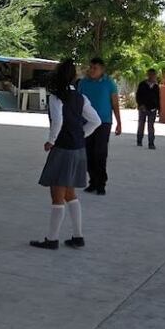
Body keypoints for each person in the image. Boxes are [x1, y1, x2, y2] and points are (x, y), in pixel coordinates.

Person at [30, 59, 102, 250]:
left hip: (63, 149)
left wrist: (51, 141)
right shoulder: (81, 98)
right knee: (70, 192)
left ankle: (52, 239)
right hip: (78, 149)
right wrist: (81, 135)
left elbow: (58, 121)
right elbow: (95, 121)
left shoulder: (56, 97)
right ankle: (78, 236)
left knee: (57, 193)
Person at [77, 57, 122, 195]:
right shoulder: (83, 83)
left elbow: (114, 104)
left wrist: (119, 122)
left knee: (100, 153)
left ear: (102, 69)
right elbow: (77, 102)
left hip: (104, 123)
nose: (91, 70)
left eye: (95, 68)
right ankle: (93, 181)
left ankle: (101, 183)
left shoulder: (109, 83)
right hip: (86, 123)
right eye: (90, 67)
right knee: (88, 153)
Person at [135, 68, 161, 149]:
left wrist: (159, 109)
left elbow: (158, 98)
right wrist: (140, 105)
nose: (152, 76)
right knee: (141, 124)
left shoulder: (156, 86)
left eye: (153, 75)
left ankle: (151, 143)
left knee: (151, 126)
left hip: (152, 109)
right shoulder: (142, 84)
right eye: (150, 74)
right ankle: (139, 140)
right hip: (143, 108)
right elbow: (138, 95)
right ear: (148, 75)